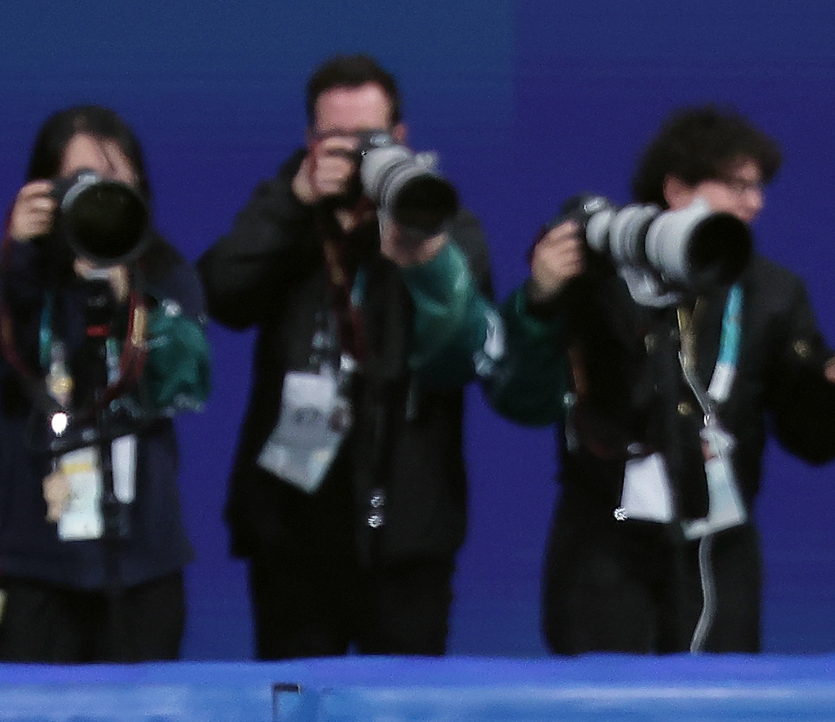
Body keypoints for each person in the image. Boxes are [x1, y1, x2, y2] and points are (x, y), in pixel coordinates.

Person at [199, 54, 564, 662]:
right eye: (333, 138)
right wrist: (292, 203)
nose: (351, 153)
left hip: (407, 530)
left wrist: (425, 260)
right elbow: (220, 294)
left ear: (400, 139)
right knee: (296, 716)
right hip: (293, 529)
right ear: (310, 141)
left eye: (367, 138)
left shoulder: (441, 223)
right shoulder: (287, 214)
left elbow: (461, 356)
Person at [530, 105, 835, 655]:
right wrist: (541, 297)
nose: (754, 203)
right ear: (676, 189)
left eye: (759, 188)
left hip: (721, 540)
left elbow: (810, 439)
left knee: (720, 717)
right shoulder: (600, 275)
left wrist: (834, 388)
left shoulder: (771, 292)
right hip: (605, 541)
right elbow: (527, 386)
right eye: (737, 186)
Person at [0, 106, 210, 663]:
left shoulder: (166, 273)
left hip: (141, 565)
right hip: (34, 564)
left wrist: (127, 286)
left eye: (115, 181)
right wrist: (23, 259)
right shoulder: (21, 273)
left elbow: (186, 384)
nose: (98, 197)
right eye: (80, 183)